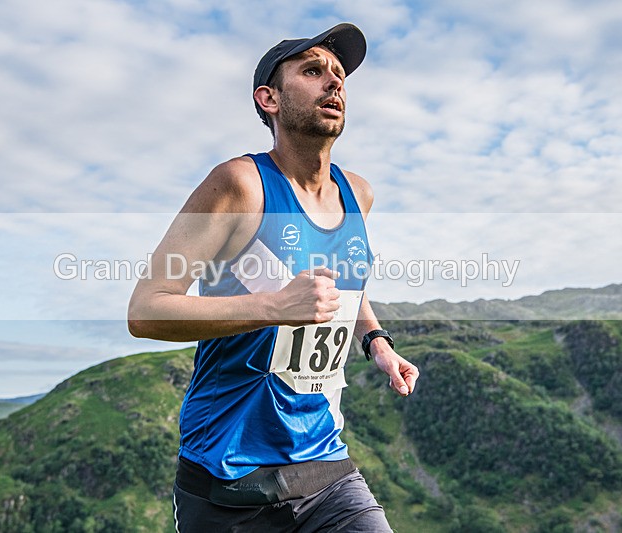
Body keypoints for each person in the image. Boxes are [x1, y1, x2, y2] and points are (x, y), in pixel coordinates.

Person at [128, 22, 420, 533]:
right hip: (229, 479)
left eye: (339, 76)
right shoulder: (239, 184)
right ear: (269, 98)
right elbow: (147, 308)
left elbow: (345, 282)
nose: (334, 83)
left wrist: (376, 341)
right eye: (312, 71)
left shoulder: (359, 193)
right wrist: (274, 306)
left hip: (325, 467)